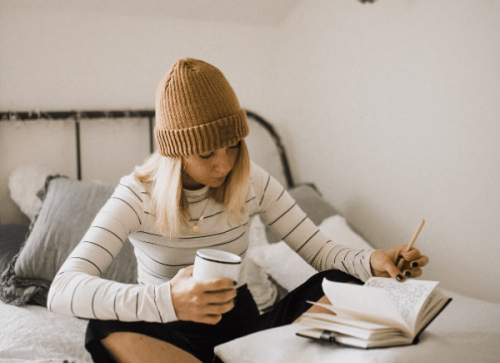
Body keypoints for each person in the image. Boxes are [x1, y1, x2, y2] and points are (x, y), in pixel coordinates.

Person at [47, 58, 428, 363]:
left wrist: (373, 260)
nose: (224, 164)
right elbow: (62, 290)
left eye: (232, 146)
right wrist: (168, 300)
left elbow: (321, 250)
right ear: (175, 153)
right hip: (168, 332)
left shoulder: (252, 181)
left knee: (342, 283)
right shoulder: (137, 195)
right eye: (206, 152)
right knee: (101, 327)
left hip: (244, 331)